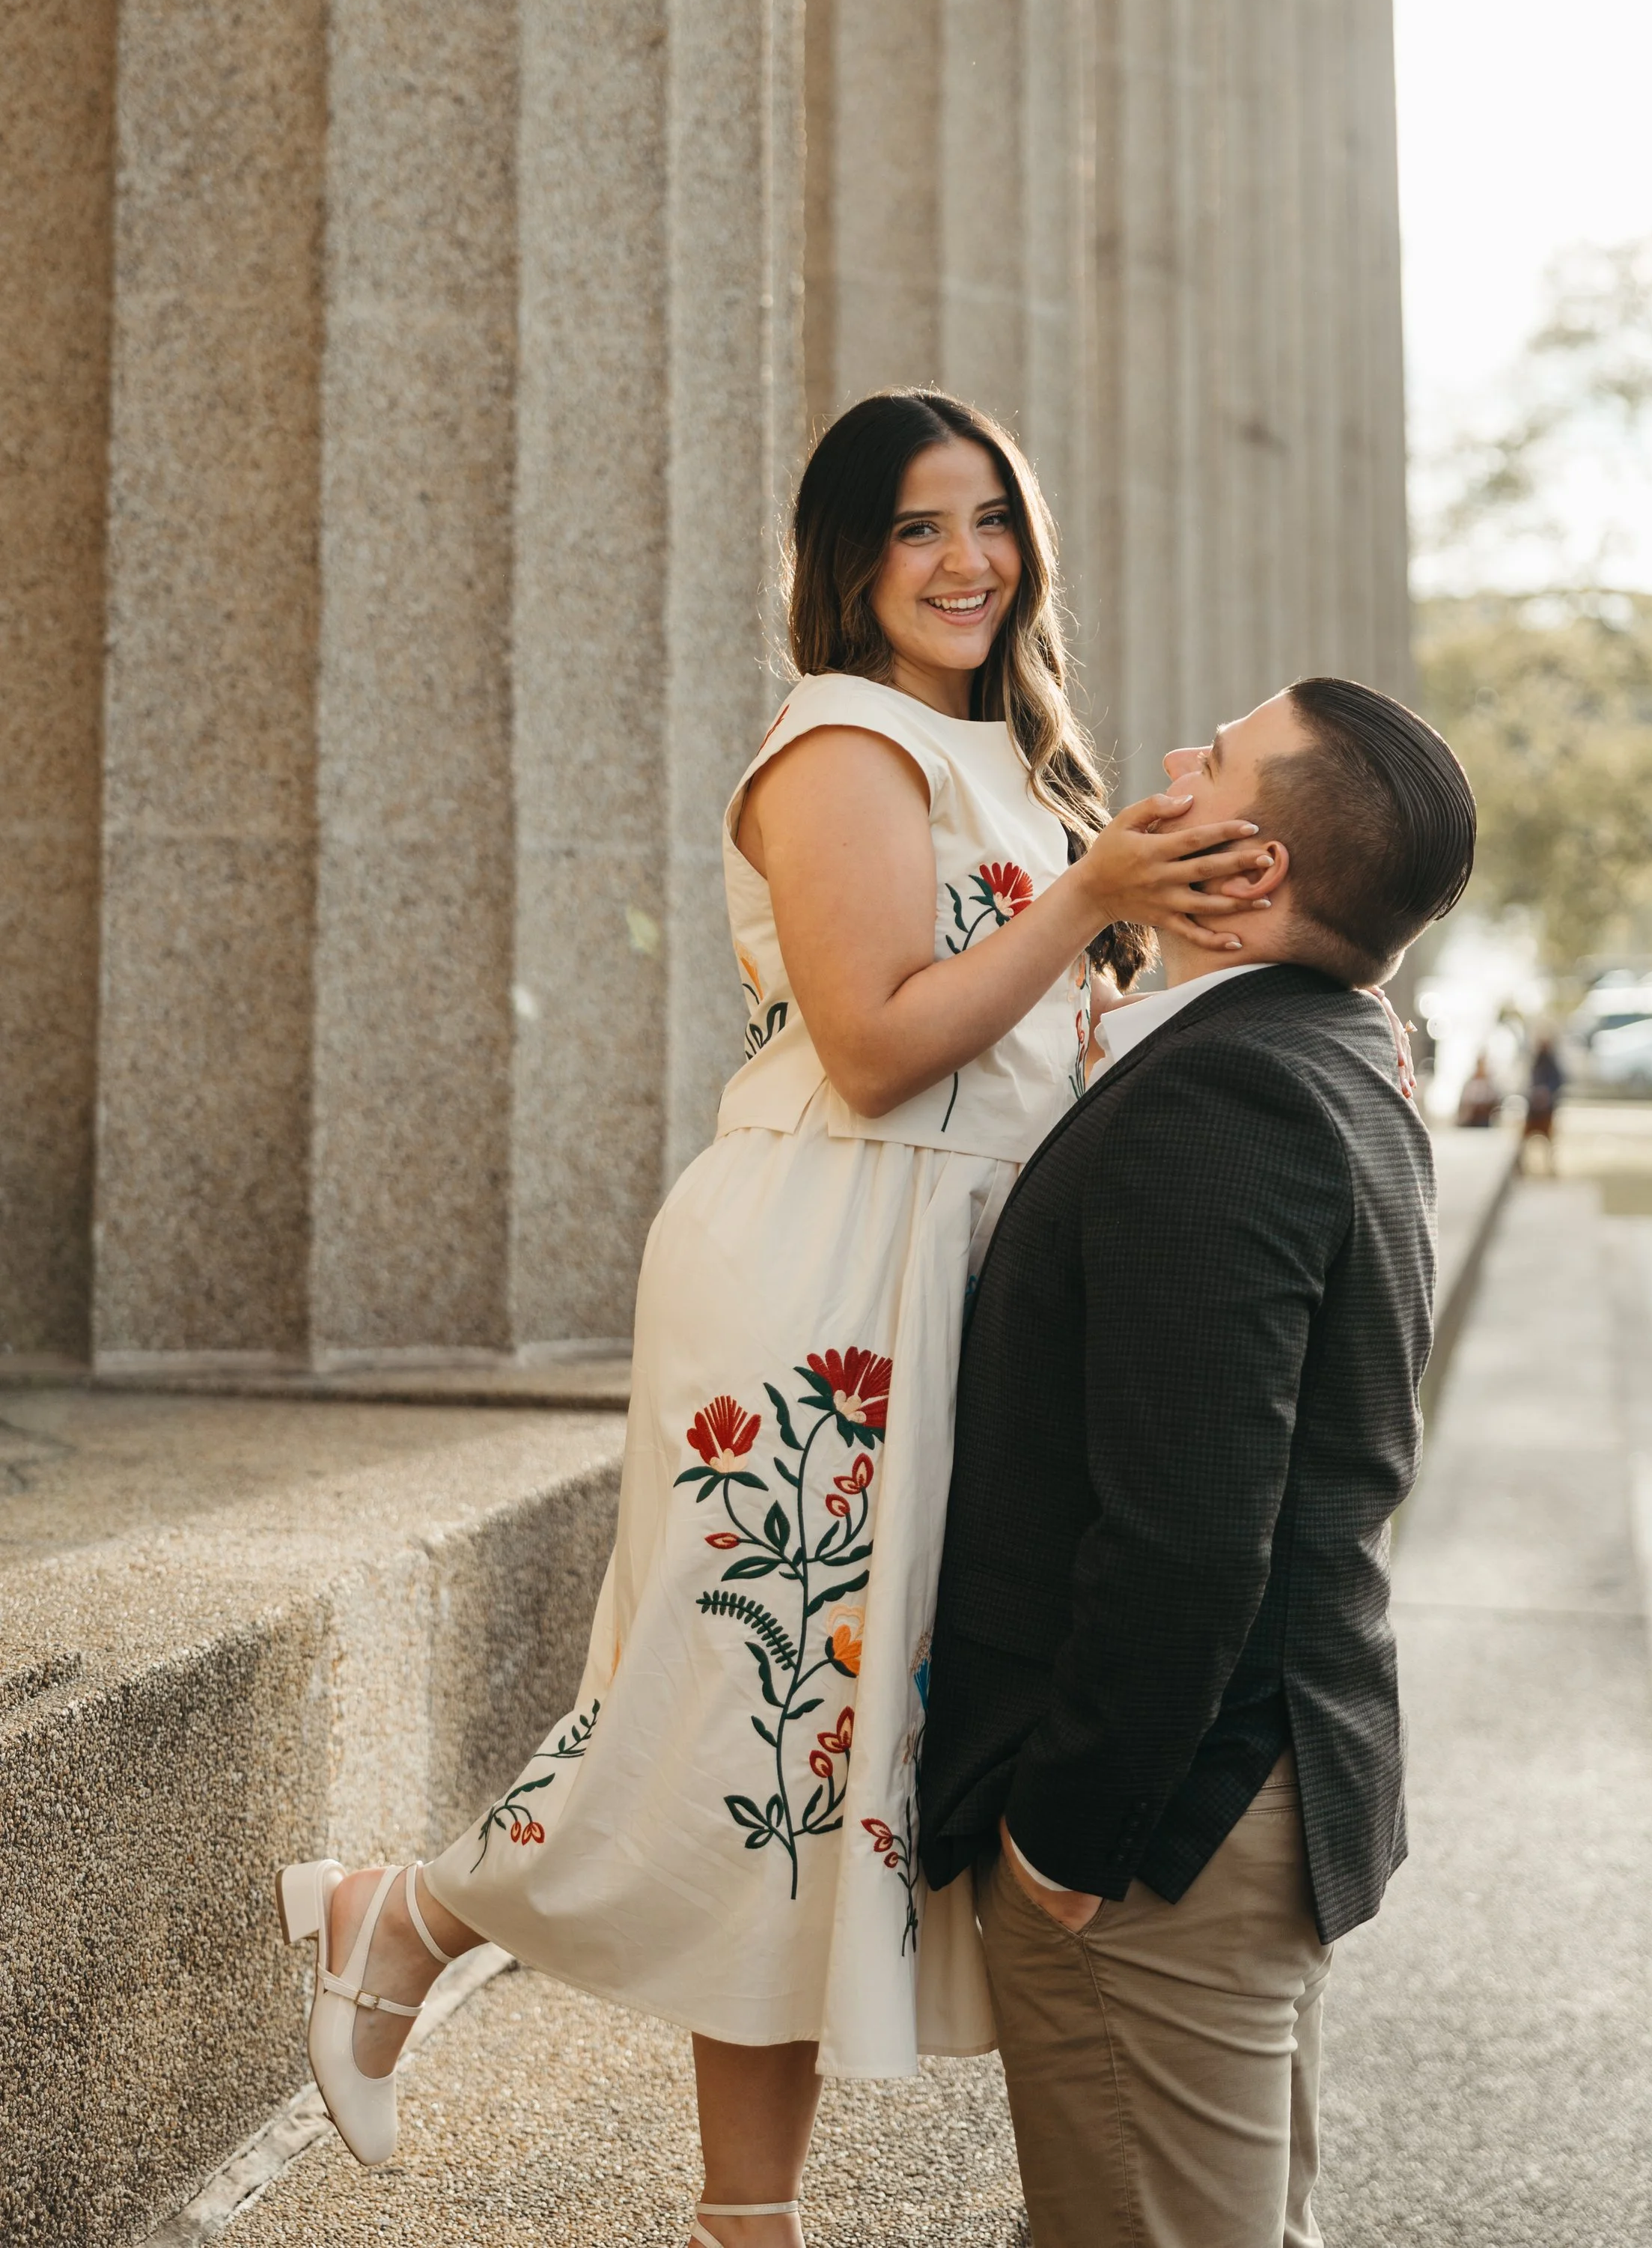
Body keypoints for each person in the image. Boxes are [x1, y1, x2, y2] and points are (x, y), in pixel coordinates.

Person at [272, 391, 1272, 2248]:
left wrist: (1148, 926)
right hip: (820, 1268)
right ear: (846, 557)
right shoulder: (837, 742)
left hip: (944, 1282)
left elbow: (1032, 1050)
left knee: (827, 1781)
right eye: (916, 527)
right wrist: (1091, 897)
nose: (967, 559)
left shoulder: (1018, 769)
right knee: (751, 1717)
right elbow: (883, 1045)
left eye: (989, 519)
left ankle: (734, 2208)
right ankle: (406, 1913)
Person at [919, 677, 1476, 2248]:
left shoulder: (1224, 1095)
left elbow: (1185, 1533)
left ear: (1250, 873)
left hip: (1164, 1828)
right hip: (1246, 1792)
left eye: (1215, 758)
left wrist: (1063, 1840)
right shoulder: (1330, 1056)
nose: (1173, 759)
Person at [1521, 1030, 1565, 1172]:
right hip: (1534, 1109)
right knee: (1525, 1138)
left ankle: (1549, 1165)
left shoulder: (1552, 1064)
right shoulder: (1536, 1062)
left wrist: (1547, 1093)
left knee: (1548, 1139)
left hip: (1547, 1108)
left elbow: (1558, 1082)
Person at [1457, 1049, 1502, 1127]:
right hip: (1471, 1122)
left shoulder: (1490, 1084)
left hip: (1485, 1122)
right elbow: (1464, 1104)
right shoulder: (1469, 1084)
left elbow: (1496, 1103)